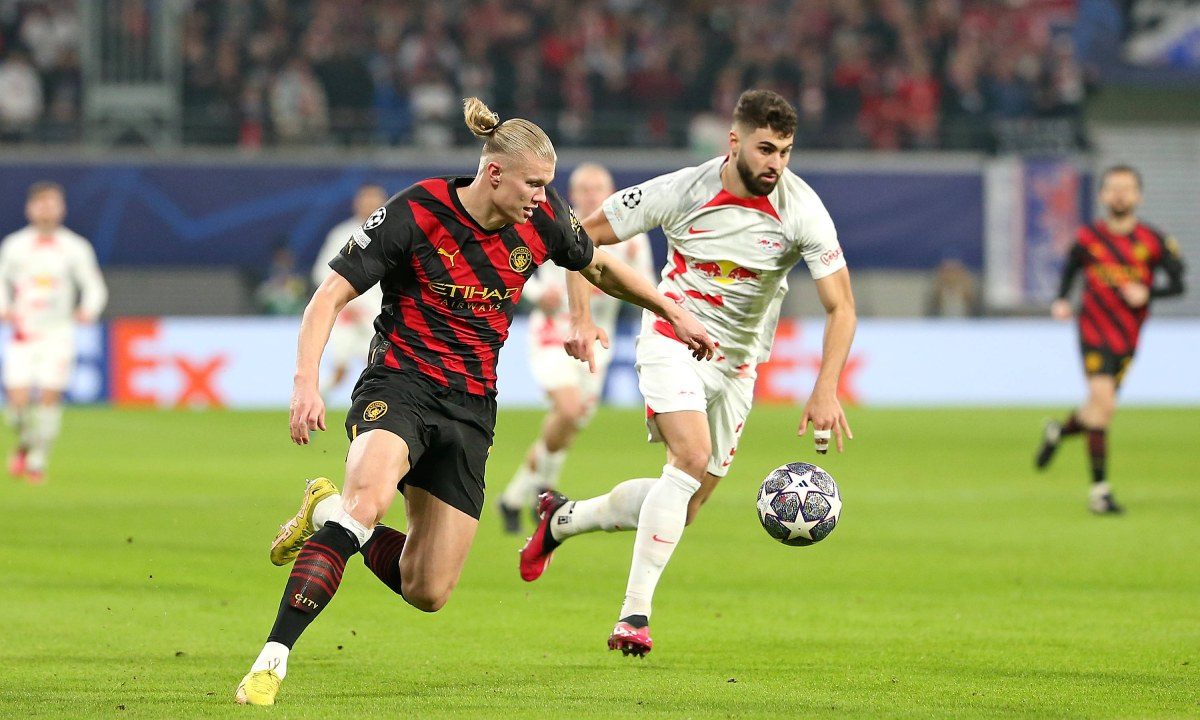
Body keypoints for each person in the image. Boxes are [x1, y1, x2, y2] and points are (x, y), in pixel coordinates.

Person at [234, 97, 714, 706]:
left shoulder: (542, 218)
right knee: (366, 504)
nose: (542, 196)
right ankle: (270, 662)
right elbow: (328, 296)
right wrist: (305, 382)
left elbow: (598, 266)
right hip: (400, 386)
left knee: (427, 588)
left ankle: (324, 509)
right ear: (493, 173)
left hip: (470, 409)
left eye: (547, 185)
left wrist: (671, 309)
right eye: (533, 184)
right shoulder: (416, 211)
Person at [518, 89, 858, 657]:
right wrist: (579, 315)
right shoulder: (683, 190)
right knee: (691, 456)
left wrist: (826, 388)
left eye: (785, 151)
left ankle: (563, 519)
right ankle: (634, 615)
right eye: (766, 149)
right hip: (673, 338)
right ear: (735, 142)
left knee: (688, 503)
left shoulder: (802, 208)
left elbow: (841, 305)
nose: (776, 163)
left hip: (739, 365)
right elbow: (579, 234)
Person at [496, 163, 654, 532]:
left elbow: (645, 284)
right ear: (573, 193)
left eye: (598, 188)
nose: (591, 195)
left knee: (565, 427)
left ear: (610, 192)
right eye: (584, 188)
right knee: (567, 410)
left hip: (597, 342)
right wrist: (538, 294)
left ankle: (513, 498)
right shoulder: (555, 223)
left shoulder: (631, 238)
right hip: (554, 332)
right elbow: (516, 265)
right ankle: (546, 494)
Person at [1035, 165, 1185, 514]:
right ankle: (1100, 493)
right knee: (1104, 406)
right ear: (1102, 195)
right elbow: (1070, 270)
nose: (1120, 195)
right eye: (1113, 188)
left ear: (1138, 196)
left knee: (1096, 410)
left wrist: (1147, 293)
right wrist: (1061, 300)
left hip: (1128, 337)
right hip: (1093, 330)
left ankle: (1059, 432)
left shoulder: (1154, 241)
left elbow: (1179, 285)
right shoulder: (1088, 238)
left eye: (1126, 188)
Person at [0, 181, 107, 484]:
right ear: (30, 209)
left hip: (58, 334)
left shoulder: (75, 247)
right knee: (16, 407)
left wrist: (89, 309)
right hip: (23, 334)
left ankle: (37, 460)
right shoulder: (15, 245)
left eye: (52, 204)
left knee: (49, 397)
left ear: (62, 209)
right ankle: (25, 443)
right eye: (41, 204)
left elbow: (94, 285)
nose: (47, 210)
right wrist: (3, 306)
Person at [311, 183, 388, 391]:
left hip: (378, 311)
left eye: (375, 199)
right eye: (366, 199)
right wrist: (343, 301)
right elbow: (321, 272)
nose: (370, 204)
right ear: (356, 203)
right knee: (340, 369)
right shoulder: (341, 234)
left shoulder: (392, 233)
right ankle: (312, 401)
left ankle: (373, 404)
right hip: (346, 312)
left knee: (378, 364)